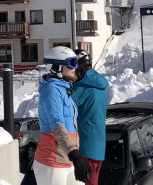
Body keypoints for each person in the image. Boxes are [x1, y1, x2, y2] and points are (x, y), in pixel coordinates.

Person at [33, 46, 91, 185]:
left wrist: (75, 156)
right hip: (52, 161)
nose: (75, 68)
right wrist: (76, 156)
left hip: (67, 158)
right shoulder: (51, 90)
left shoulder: (63, 90)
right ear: (58, 67)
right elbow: (57, 125)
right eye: (71, 64)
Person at [70, 49, 110, 185]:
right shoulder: (100, 85)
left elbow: (64, 108)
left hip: (85, 146)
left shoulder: (82, 88)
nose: (72, 72)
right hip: (97, 146)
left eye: (73, 68)